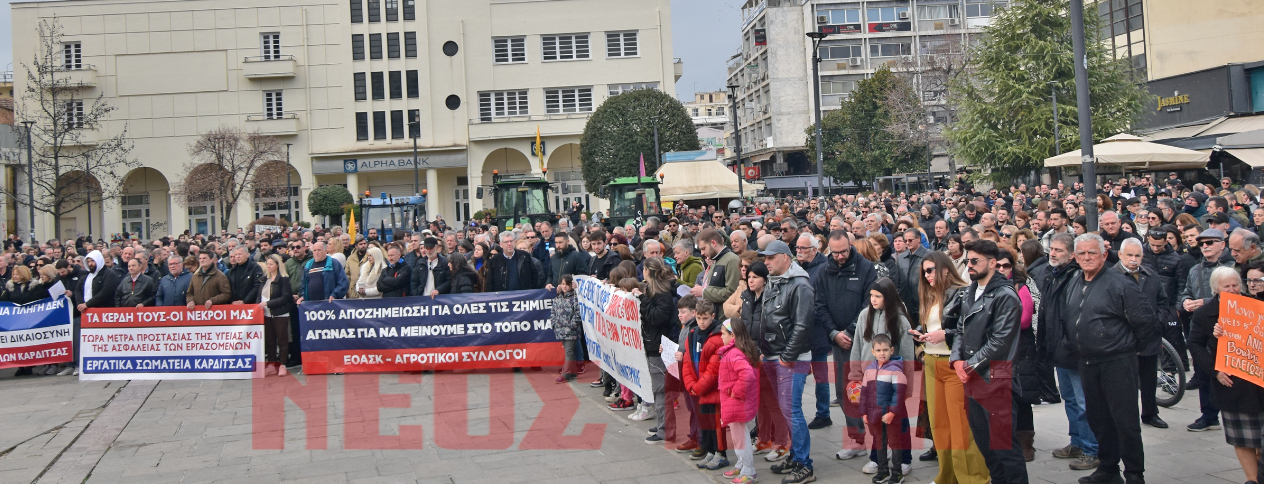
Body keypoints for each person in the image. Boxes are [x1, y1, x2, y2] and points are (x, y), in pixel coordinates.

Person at [1065, 233, 1155, 484]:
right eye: (1081, 253)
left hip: (1117, 361)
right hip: (1087, 362)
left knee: (1125, 422)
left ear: (1104, 254)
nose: (1086, 257)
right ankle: (1108, 469)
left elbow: (1146, 322)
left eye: (1092, 252)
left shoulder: (1121, 283)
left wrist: (1126, 348)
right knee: (1098, 419)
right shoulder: (1075, 280)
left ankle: (1135, 473)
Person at [952, 239, 1028, 484]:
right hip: (973, 376)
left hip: (997, 376)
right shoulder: (970, 291)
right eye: (967, 261)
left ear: (993, 263)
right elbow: (960, 329)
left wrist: (968, 365)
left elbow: (1000, 342)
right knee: (985, 444)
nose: (970, 266)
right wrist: (956, 360)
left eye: (975, 261)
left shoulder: (1006, 295)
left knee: (1004, 446)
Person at [814, 230, 881, 461]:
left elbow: (868, 304)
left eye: (843, 251)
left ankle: (881, 443)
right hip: (839, 342)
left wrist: (850, 331)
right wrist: (834, 333)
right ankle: (857, 439)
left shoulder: (865, 268)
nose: (840, 256)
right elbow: (819, 305)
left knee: (872, 392)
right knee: (846, 393)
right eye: (835, 253)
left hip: (864, 340)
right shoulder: (824, 270)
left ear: (851, 245)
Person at [757, 240, 817, 484]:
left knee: (791, 410)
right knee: (786, 409)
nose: (766, 262)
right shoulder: (775, 281)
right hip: (773, 354)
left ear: (784, 257)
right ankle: (795, 455)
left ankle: (805, 464)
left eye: (770, 258)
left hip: (790, 358)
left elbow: (803, 325)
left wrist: (787, 357)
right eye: (765, 258)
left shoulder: (800, 285)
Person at [847, 277, 915, 476]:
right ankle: (878, 459)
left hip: (893, 382)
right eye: (871, 295)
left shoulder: (900, 320)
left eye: (878, 296)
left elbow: (908, 355)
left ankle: (904, 460)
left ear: (889, 297)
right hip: (870, 380)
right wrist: (855, 374)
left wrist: (907, 386)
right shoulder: (864, 315)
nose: (873, 299)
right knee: (875, 422)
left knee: (898, 421)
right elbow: (857, 347)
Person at [1203, 261, 1264, 484]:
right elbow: (1196, 345)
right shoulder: (1205, 313)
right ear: (1216, 288)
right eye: (1226, 286)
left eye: (1235, 285)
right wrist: (1215, 370)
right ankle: (1252, 479)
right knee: (1243, 437)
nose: (1232, 290)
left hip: (1258, 380)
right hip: (1234, 384)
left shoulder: (1254, 305)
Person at [1178, 228, 1235, 432]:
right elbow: (1186, 290)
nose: (1205, 246)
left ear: (1222, 244)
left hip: (1230, 330)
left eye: (1210, 242)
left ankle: (1233, 413)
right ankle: (1208, 415)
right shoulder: (1195, 269)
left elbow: (1239, 296)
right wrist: (1185, 302)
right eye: (1202, 243)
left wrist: (1205, 302)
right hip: (1201, 325)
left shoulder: (1232, 267)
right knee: (1203, 373)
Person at [682, 299, 728, 470]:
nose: (702, 322)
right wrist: (690, 384)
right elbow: (687, 360)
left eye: (706, 318)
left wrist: (698, 386)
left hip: (712, 389)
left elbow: (713, 369)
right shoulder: (692, 333)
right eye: (700, 318)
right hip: (699, 388)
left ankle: (721, 454)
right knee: (705, 423)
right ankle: (709, 450)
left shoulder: (717, 337)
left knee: (717, 424)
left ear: (713, 317)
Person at [860, 333, 910, 484]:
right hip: (874, 415)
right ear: (873, 352)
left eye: (886, 350)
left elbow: (899, 395)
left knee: (895, 443)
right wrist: (864, 413)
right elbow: (864, 394)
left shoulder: (896, 370)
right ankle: (882, 471)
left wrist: (892, 412)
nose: (882, 353)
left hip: (891, 416)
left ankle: (897, 473)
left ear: (892, 350)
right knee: (879, 442)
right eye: (879, 350)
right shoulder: (869, 371)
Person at [642, 257, 681, 445]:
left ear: (647, 272)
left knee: (661, 389)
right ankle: (662, 424)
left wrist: (642, 300)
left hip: (661, 346)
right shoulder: (656, 292)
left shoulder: (662, 294)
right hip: (655, 343)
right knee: (659, 388)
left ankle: (666, 429)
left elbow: (657, 318)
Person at [718, 318, 761, 484]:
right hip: (735, 401)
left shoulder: (734, 353)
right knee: (738, 436)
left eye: (723, 333)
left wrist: (736, 392)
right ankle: (742, 465)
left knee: (740, 437)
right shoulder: (737, 350)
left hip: (736, 401)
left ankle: (748, 470)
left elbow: (747, 374)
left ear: (733, 335)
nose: (721, 337)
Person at [260, 254, 293, 377]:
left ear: (277, 265)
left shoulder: (283, 279)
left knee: (282, 339)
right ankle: (272, 364)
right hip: (267, 314)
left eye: (271, 264)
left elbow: (285, 297)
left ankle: (283, 364)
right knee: (270, 340)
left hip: (280, 313)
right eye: (267, 264)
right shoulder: (265, 279)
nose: (268, 266)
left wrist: (268, 303)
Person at [692, 229, 742, 307]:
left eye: (703, 248)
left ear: (713, 243)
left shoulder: (732, 260)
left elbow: (733, 291)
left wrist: (704, 292)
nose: (702, 253)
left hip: (724, 316)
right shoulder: (716, 260)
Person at [551, 274, 581, 383]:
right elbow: (553, 312)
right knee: (568, 351)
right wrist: (554, 323)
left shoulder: (575, 299)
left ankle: (565, 373)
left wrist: (572, 325)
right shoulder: (558, 298)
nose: (565, 286)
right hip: (560, 330)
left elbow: (578, 314)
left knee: (569, 351)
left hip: (570, 331)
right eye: (563, 284)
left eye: (567, 284)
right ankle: (572, 372)